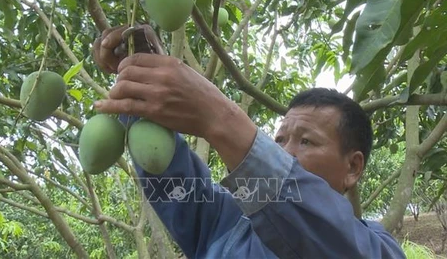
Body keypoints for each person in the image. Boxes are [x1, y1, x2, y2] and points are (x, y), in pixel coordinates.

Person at [92, 25, 406, 258]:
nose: (285, 153)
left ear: (352, 167)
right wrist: (143, 84)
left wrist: (221, 118)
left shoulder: (374, 248)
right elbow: (170, 175)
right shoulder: (227, 224)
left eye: (307, 142)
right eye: (278, 140)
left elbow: (330, 237)